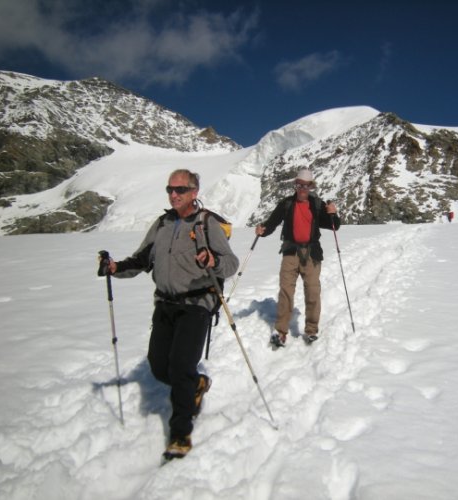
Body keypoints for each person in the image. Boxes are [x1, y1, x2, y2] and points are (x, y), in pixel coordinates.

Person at [102, 168, 239, 460]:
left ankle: (180, 433)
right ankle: (196, 384)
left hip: (196, 304)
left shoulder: (206, 223)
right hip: (165, 304)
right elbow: (142, 259)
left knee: (179, 367)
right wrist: (115, 268)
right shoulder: (162, 224)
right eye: (170, 189)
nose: (173, 194)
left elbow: (230, 263)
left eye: (180, 190)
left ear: (194, 193)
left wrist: (213, 261)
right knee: (158, 367)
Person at [255, 168, 340, 347]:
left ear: (310, 187)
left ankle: (311, 331)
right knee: (286, 291)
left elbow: (334, 226)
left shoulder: (317, 204)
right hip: (290, 252)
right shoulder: (286, 204)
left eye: (305, 185)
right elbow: (272, 223)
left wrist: (333, 213)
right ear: (295, 185)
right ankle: (281, 332)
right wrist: (262, 230)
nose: (302, 188)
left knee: (312, 291)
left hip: (312, 254)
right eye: (299, 184)